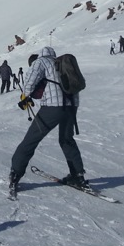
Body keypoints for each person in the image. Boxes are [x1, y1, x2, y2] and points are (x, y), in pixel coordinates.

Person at [9, 46, 87, 193]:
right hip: (72, 105)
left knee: (31, 139)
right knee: (66, 139)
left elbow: (30, 81)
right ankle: (78, 176)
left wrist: (25, 97)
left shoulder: (41, 61)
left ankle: (15, 174)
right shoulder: (61, 63)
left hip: (53, 107)